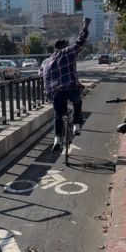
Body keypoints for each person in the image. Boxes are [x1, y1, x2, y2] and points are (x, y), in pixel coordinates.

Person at [40, 16, 90, 153]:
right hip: (70, 89)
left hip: (55, 92)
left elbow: (41, 74)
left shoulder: (47, 61)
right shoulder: (66, 53)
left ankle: (56, 138)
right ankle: (76, 126)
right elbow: (80, 42)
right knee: (77, 101)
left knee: (58, 114)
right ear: (63, 47)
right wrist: (85, 27)